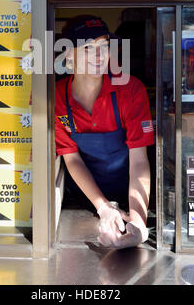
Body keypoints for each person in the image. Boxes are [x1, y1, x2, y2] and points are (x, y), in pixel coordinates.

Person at [55, 15, 154, 248]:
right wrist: (103, 208)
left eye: (104, 46)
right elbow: (72, 158)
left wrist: (138, 223)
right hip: (84, 202)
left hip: (132, 193)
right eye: (89, 47)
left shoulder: (130, 90)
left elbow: (139, 161)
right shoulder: (57, 97)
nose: (100, 55)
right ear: (69, 54)